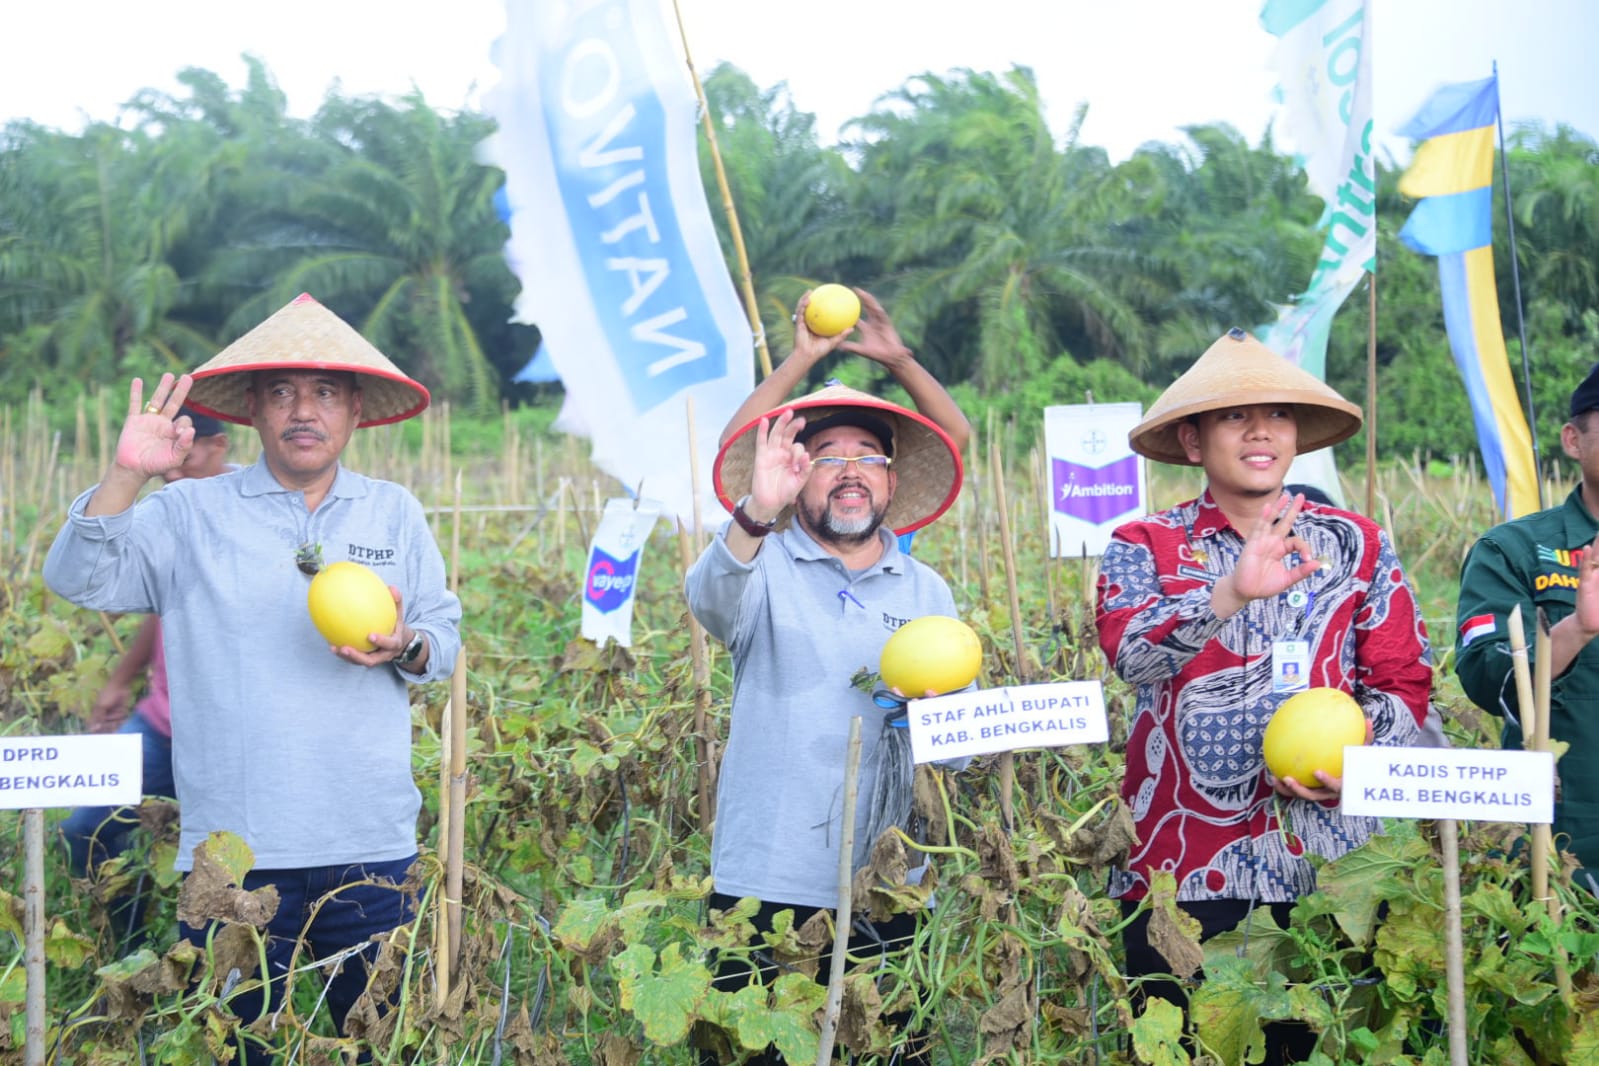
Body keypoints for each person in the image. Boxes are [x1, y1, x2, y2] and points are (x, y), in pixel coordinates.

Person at [43, 293, 462, 1059]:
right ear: (254, 413)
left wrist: (406, 645)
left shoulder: (392, 512)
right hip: (232, 856)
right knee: (234, 1048)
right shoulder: (189, 515)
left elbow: (444, 639)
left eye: (325, 392)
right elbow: (77, 578)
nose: (304, 411)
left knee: (377, 1041)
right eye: (282, 393)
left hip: (369, 845)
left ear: (357, 409)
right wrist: (125, 477)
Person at [1095, 328, 1433, 1063]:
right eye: (1232, 415)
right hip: (1180, 866)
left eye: (1278, 414)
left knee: (1310, 1048)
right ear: (1191, 440)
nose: (1259, 430)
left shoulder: (1356, 543)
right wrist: (1227, 595)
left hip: (1329, 868)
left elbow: (1403, 677)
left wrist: (1361, 761)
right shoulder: (1142, 543)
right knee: (1180, 1046)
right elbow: (1130, 654)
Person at [686, 368, 965, 1065]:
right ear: (797, 475)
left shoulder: (926, 588)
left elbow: (958, 751)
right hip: (767, 883)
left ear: (891, 481)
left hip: (889, 887)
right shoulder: (762, 566)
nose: (850, 472)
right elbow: (709, 598)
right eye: (826, 457)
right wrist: (755, 509)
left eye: (868, 456)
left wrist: (940, 718)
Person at [59, 407, 231, 942]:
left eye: (188, 447)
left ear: (218, 446)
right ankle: (128, 948)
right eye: (168, 447)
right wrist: (121, 679)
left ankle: (197, 980)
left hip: (227, 742)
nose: (174, 462)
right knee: (84, 829)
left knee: (215, 876)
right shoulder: (167, 509)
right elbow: (158, 607)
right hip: (159, 726)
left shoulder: (244, 512)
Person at [1455, 362, 1599, 893]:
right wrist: (1576, 630)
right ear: (1573, 440)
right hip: (1563, 847)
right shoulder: (1514, 550)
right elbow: (1484, 679)